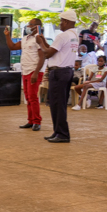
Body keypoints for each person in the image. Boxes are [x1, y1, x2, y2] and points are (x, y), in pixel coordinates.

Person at [40, 9, 79, 143]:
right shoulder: (74, 35)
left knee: (57, 104)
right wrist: (44, 41)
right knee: (58, 103)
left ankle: (62, 133)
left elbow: (47, 54)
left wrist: (40, 43)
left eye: (62, 21)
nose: (60, 23)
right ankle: (58, 131)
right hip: (67, 71)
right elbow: (54, 50)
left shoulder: (62, 36)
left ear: (67, 21)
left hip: (58, 72)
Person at [5, 18, 44, 130]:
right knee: (27, 97)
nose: (27, 26)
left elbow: (42, 57)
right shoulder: (25, 38)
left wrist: (36, 73)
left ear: (37, 27)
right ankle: (31, 120)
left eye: (30, 24)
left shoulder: (39, 39)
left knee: (32, 97)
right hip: (25, 70)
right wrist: (7, 35)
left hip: (34, 71)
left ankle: (37, 121)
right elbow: (12, 47)